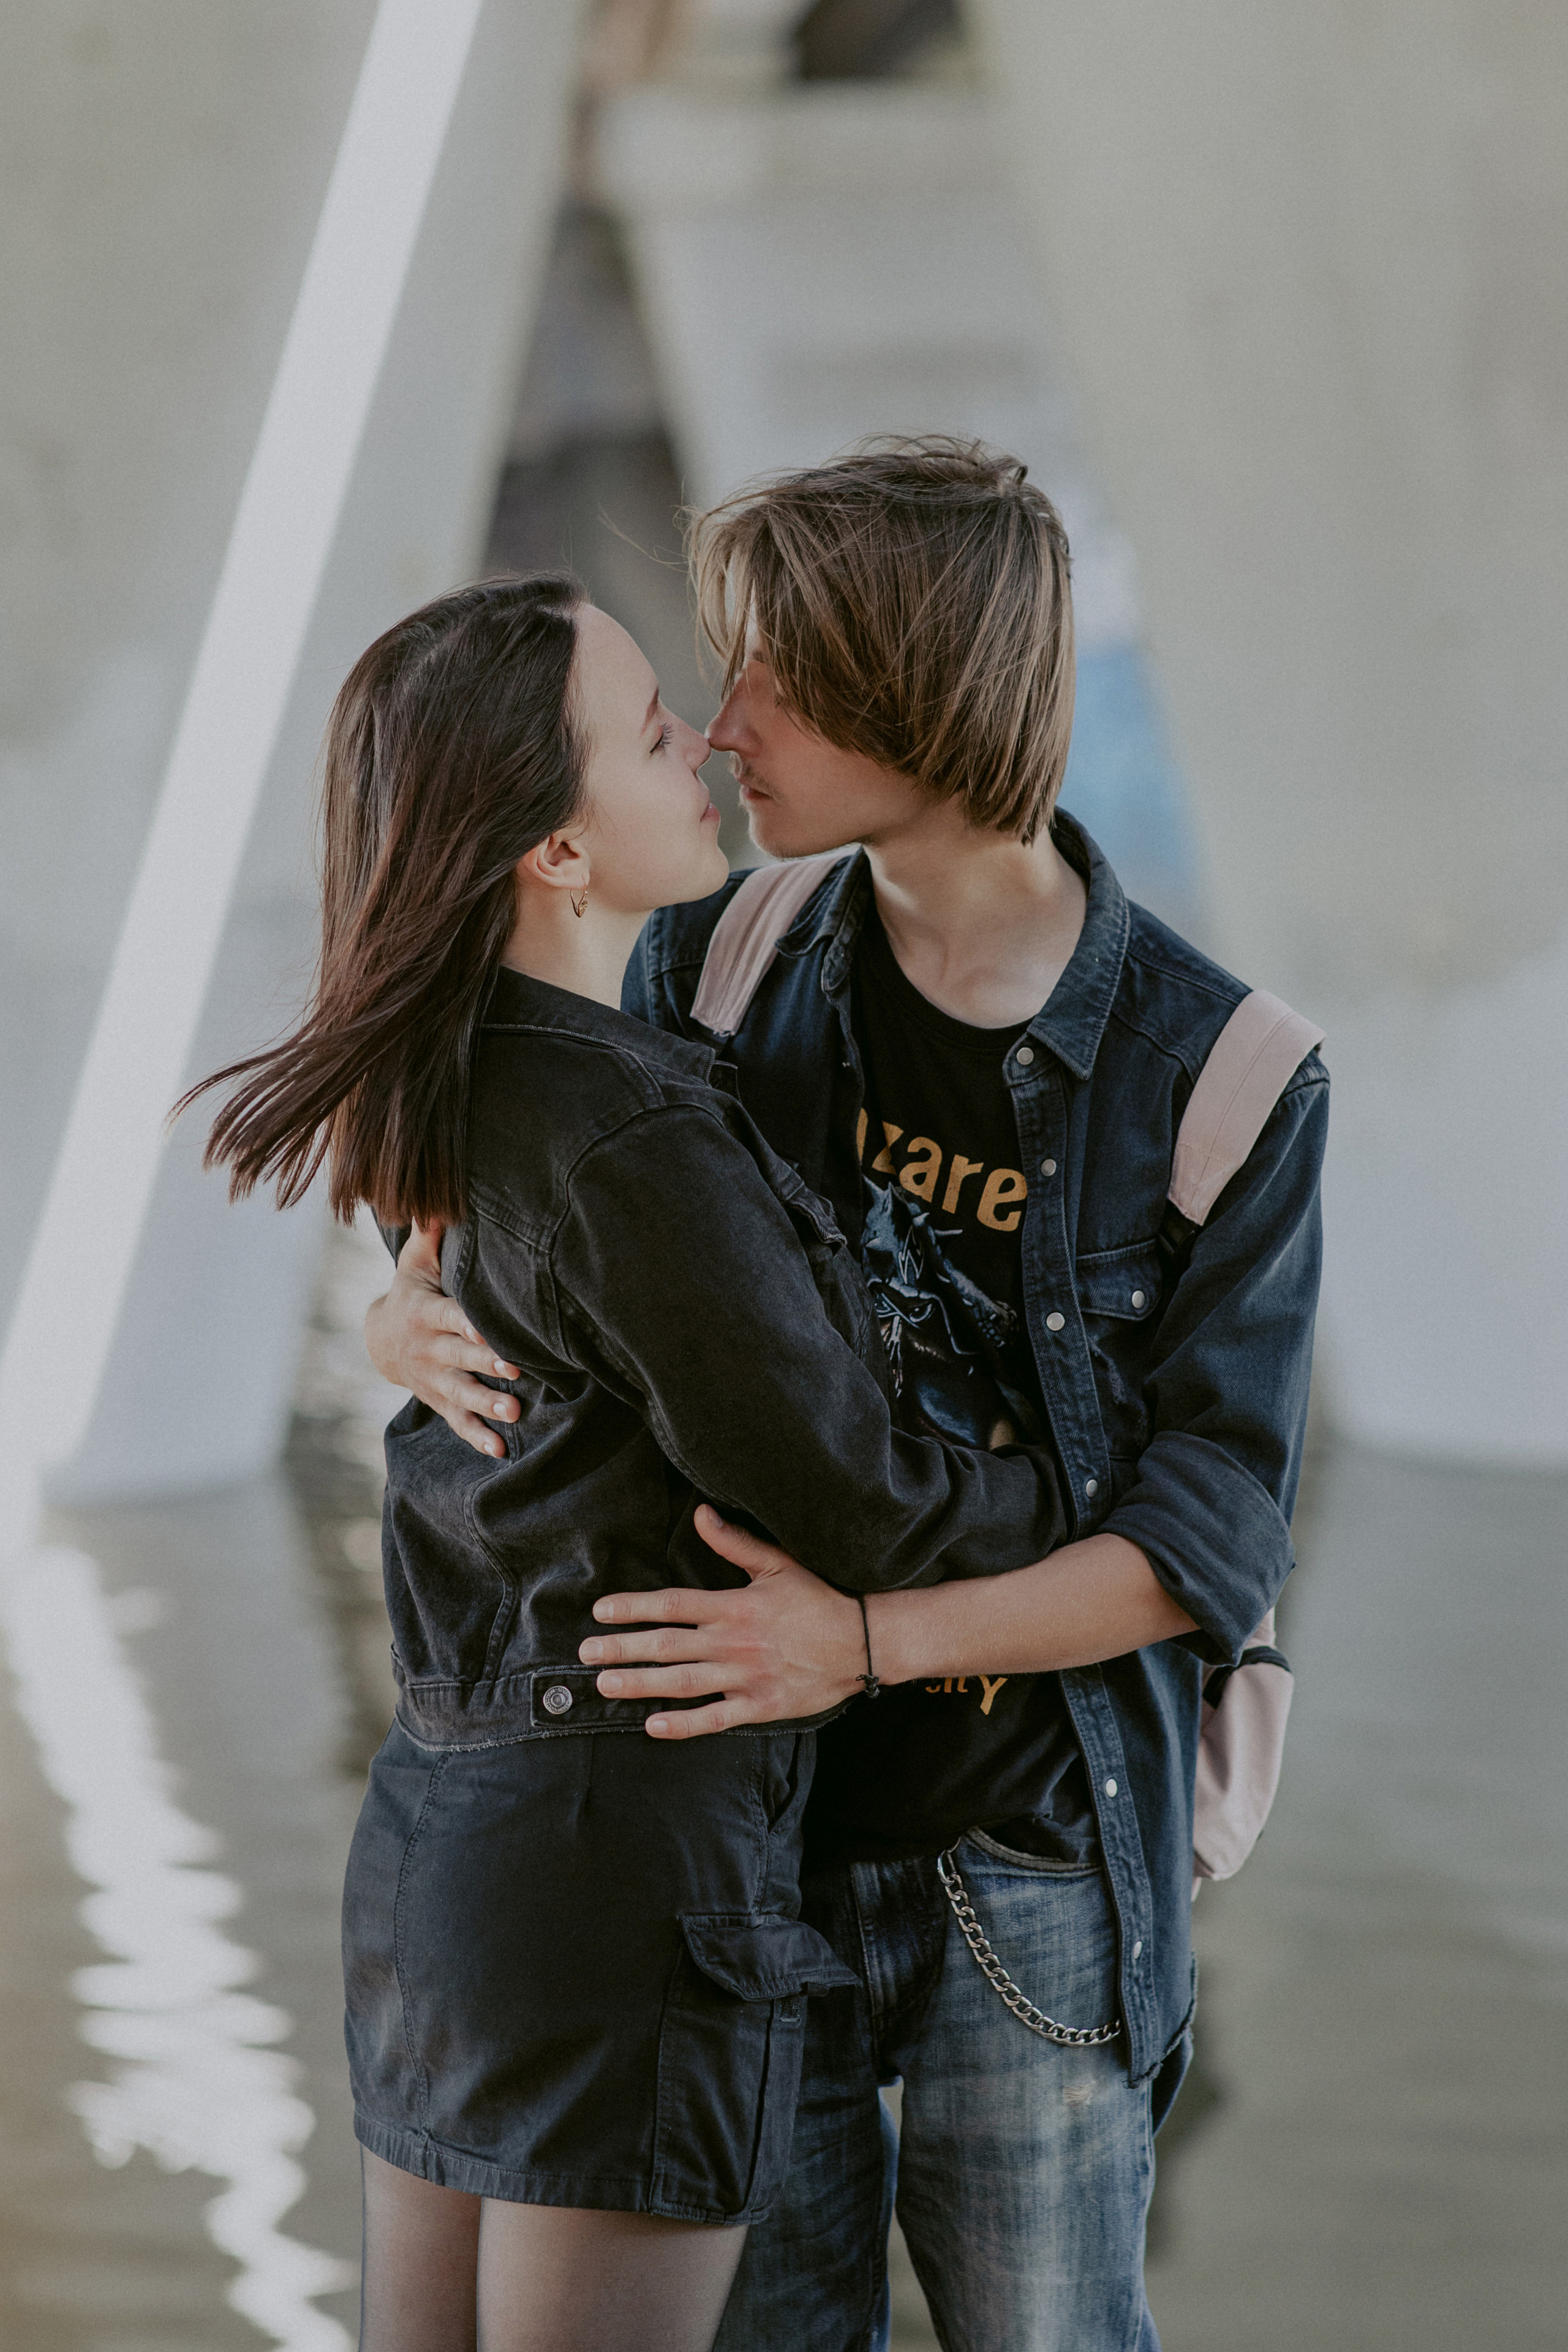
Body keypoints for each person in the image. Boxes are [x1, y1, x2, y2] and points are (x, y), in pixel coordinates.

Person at [370, 441, 1328, 2352]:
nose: (725, 731)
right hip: (747, 1846)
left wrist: (865, 1640)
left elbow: (1202, 1545)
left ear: (920, 690)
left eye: (775, 678)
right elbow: (559, 1206)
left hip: (1030, 1854)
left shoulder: (1227, 1077)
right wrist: (406, 1292)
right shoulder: (719, 961)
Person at [180, 569, 1150, 2352]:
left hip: (445, 1861)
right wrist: (1082, 1482)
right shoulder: (622, 1126)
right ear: (557, 848)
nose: (697, 737)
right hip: (614, 1877)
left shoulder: (471, 1075)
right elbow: (849, 1499)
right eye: (647, 731)